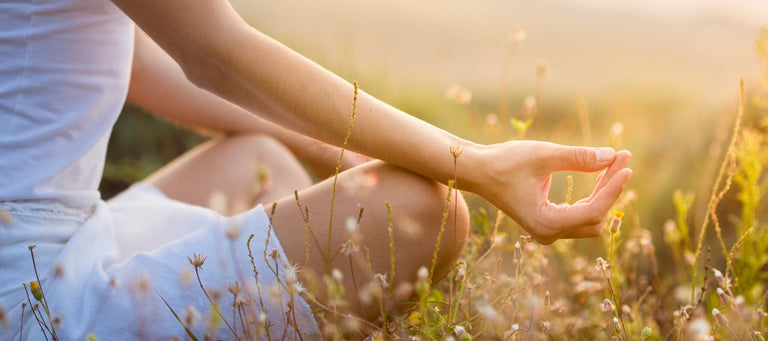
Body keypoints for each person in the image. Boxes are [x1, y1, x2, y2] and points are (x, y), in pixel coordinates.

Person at [0, 0, 633, 338]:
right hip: (26, 300)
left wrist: (342, 149)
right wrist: (477, 166)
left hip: (66, 234)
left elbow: (140, 62)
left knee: (260, 161)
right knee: (418, 215)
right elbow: (214, 49)